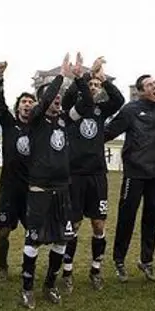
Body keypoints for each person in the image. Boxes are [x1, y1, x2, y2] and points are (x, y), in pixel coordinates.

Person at [19, 53, 93, 309]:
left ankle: (49, 284)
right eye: (54, 98)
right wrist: (60, 76)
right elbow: (48, 97)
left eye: (60, 98)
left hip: (63, 190)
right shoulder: (35, 120)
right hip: (39, 190)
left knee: (62, 240)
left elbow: (86, 105)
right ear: (43, 101)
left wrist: (80, 78)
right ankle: (27, 288)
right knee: (34, 241)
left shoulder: (64, 120)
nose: (58, 101)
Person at [104, 74, 155, 283]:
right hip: (134, 173)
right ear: (141, 90)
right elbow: (108, 132)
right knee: (127, 217)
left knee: (152, 217)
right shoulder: (130, 110)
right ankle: (119, 261)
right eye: (149, 85)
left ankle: (147, 261)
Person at [60, 56, 124, 292]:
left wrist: (104, 79)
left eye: (97, 86)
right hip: (74, 176)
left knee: (98, 224)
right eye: (91, 85)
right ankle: (67, 271)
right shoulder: (72, 111)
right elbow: (69, 99)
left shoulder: (100, 110)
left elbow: (119, 99)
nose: (94, 88)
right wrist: (82, 76)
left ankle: (96, 269)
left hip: (97, 176)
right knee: (73, 225)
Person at [0, 61, 37, 282]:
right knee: (3, 232)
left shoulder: (39, 127)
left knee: (33, 232)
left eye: (31, 102)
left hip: (32, 188)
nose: (27, 105)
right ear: (18, 106)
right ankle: (2, 267)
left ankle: (27, 267)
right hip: (9, 187)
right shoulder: (9, 124)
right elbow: (0, 103)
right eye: (24, 102)